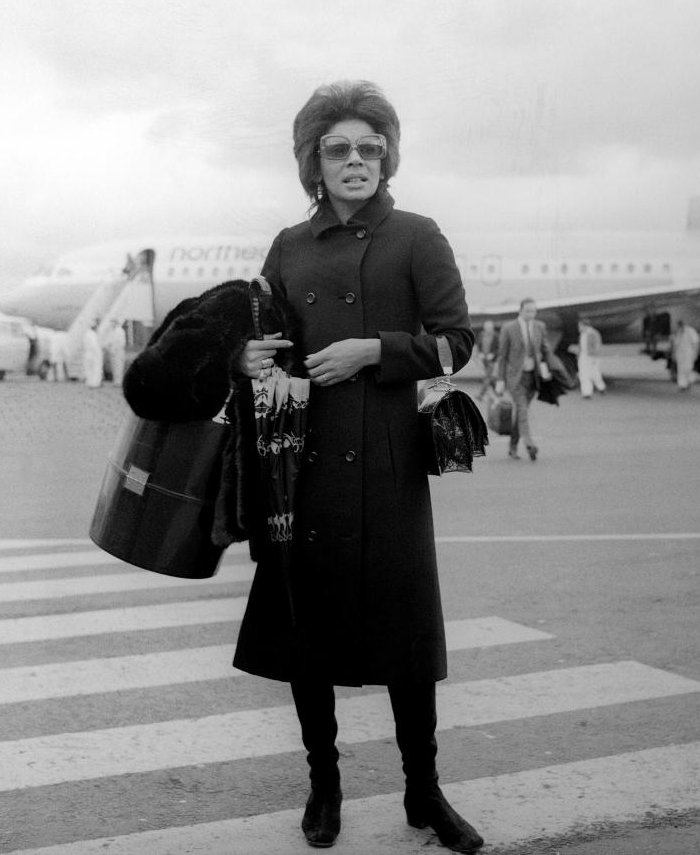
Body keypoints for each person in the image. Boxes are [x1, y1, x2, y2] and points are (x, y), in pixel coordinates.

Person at [126, 80, 482, 852]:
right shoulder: (288, 247)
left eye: (370, 147)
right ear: (312, 163)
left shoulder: (418, 236)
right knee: (305, 639)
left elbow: (459, 340)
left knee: (406, 639)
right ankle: (325, 785)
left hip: (388, 470)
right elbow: (268, 338)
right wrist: (246, 355)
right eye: (338, 149)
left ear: (387, 157)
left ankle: (424, 791)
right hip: (302, 469)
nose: (356, 161)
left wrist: (377, 351)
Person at [495, 298, 553, 461]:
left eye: (534, 311)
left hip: (532, 378)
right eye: (528, 311)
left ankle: (512, 448)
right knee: (522, 410)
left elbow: (544, 351)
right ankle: (530, 444)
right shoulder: (509, 328)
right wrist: (500, 380)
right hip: (515, 378)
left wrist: (547, 370)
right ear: (520, 311)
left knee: (522, 413)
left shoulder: (539, 327)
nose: (531, 314)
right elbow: (502, 357)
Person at [577, 316, 606, 398]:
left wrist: (594, 356)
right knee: (583, 374)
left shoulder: (593, 333)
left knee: (595, 374)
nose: (579, 328)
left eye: (580, 326)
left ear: (584, 325)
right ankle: (587, 392)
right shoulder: (582, 334)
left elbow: (597, 346)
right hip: (583, 356)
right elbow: (581, 346)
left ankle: (601, 387)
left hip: (592, 356)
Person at [671, 319, 700, 391]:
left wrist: (695, 353)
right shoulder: (678, 332)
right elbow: (675, 344)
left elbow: (696, 342)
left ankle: (689, 382)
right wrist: (674, 354)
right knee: (680, 370)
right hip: (680, 354)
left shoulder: (690, 331)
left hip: (689, 353)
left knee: (688, 368)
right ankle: (682, 385)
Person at [475, 319, 499, 398]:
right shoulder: (481, 335)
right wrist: (480, 353)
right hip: (483, 359)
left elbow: (499, 348)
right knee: (489, 376)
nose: (488, 329)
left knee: (487, 377)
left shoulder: (496, 335)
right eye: (487, 327)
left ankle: (481, 395)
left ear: (492, 328)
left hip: (491, 360)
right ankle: (497, 390)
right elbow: (478, 345)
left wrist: (493, 354)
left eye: (490, 327)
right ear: (484, 327)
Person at [105, 319, 127, 386]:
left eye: (112, 323)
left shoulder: (120, 331)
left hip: (118, 352)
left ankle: (119, 381)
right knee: (114, 367)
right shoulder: (111, 331)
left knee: (119, 366)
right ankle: (116, 381)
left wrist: (115, 348)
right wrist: (108, 347)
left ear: (115, 323)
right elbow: (109, 341)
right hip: (112, 352)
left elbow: (122, 343)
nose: (111, 324)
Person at [83, 321, 103, 388]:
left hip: (87, 353)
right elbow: (94, 346)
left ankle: (89, 382)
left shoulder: (86, 334)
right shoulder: (93, 335)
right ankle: (95, 383)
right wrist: (99, 354)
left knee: (89, 369)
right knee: (95, 369)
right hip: (94, 354)